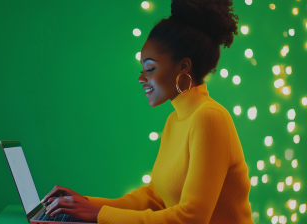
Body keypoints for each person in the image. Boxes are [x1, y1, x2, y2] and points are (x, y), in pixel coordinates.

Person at [40, 0, 255, 223]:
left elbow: (192, 217)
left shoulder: (209, 117)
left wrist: (98, 215)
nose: (142, 79)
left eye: (150, 68)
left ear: (183, 67)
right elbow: (154, 197)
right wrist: (85, 203)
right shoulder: (175, 120)